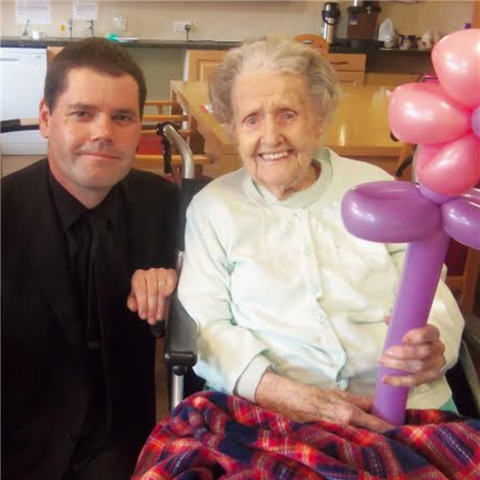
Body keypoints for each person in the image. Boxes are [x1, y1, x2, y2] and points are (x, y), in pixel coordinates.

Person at [177, 37, 464, 432]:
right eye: (251, 119)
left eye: (288, 114)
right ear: (233, 130)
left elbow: (433, 290)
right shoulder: (214, 208)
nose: (271, 136)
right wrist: (281, 393)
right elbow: (205, 324)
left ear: (319, 119)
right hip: (273, 413)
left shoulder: (376, 189)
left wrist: (434, 344)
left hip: (404, 405)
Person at [0, 38, 179, 480]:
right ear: (46, 119)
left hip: (123, 448)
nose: (104, 133)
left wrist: (178, 288)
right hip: (16, 445)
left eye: (122, 117)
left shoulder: (167, 206)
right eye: (82, 113)